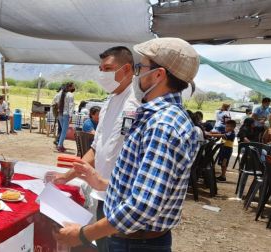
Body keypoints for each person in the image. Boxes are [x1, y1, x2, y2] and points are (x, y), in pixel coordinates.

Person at [56, 38, 200, 251]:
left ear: (158, 75)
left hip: (136, 241)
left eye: (141, 67)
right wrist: (105, 184)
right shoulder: (156, 117)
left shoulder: (162, 124)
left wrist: (83, 235)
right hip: (130, 237)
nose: (138, 73)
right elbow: (145, 185)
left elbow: (143, 206)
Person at [52, 46, 140, 251]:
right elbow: (95, 149)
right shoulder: (109, 102)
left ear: (127, 69)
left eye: (108, 68)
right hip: (102, 196)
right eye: (101, 68)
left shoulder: (138, 103)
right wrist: (66, 176)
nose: (102, 74)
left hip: (122, 200)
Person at [56, 82, 76, 152]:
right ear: (69, 87)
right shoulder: (70, 95)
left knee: (63, 131)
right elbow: (71, 106)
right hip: (66, 114)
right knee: (64, 131)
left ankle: (60, 144)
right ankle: (59, 146)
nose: (74, 87)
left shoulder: (60, 93)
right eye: (73, 86)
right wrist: (71, 116)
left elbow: (56, 101)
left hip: (60, 114)